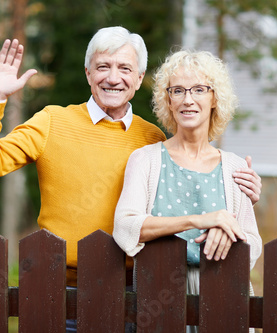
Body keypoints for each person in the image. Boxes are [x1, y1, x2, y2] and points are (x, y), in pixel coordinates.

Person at [0, 26, 262, 328]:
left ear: (139, 77)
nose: (113, 78)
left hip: (137, 291)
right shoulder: (53, 122)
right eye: (103, 66)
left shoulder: (151, 139)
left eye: (124, 68)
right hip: (61, 289)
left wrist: (243, 193)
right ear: (88, 73)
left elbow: (190, 196)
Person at [113, 50, 262, 332]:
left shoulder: (235, 166)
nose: (188, 99)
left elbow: (252, 244)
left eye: (199, 90)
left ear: (215, 98)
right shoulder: (145, 159)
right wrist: (200, 220)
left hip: (222, 296)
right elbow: (125, 227)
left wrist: (229, 231)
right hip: (158, 299)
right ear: (168, 101)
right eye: (178, 90)